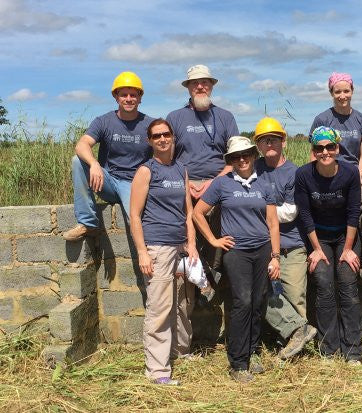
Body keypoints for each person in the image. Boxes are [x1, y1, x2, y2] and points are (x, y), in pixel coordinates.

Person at [193, 136, 280, 383]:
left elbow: (273, 223)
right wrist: (213, 240)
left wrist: (275, 256)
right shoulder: (222, 184)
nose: (241, 160)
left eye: (246, 155)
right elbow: (198, 213)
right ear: (230, 160)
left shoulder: (265, 183)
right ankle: (238, 362)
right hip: (237, 251)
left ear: (253, 155)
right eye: (235, 157)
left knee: (259, 300)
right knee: (242, 301)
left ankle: (252, 351)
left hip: (263, 249)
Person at [129, 118, 198, 385]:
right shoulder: (146, 171)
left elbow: (189, 212)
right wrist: (142, 252)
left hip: (180, 246)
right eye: (156, 136)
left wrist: (191, 244)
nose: (162, 139)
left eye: (166, 134)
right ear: (150, 141)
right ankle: (157, 371)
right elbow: (135, 216)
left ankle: (181, 351)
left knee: (182, 303)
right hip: (157, 247)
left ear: (173, 137)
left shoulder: (181, 169)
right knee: (159, 307)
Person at [294, 126, 362, 365]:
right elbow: (304, 214)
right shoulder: (304, 175)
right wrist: (316, 248)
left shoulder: (350, 173)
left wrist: (348, 249)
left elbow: (354, 212)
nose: (325, 152)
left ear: (337, 148)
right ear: (313, 150)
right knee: (323, 285)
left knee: (347, 283)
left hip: (346, 236)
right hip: (318, 238)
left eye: (330, 147)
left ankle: (353, 350)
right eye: (319, 148)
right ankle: (328, 350)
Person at [166, 64, 239, 285]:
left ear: (211, 86)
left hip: (219, 180)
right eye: (195, 83)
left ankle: (212, 270)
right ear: (188, 87)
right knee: (179, 220)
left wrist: (213, 184)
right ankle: (187, 271)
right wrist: (184, 183)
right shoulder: (175, 117)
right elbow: (167, 158)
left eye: (205, 82)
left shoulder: (225, 117)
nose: (200, 86)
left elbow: (235, 158)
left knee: (225, 216)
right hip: (184, 182)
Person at [253, 117, 317, 360]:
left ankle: (295, 352)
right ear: (257, 145)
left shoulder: (295, 173)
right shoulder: (253, 169)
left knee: (294, 297)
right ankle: (282, 343)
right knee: (263, 295)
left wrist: (255, 213)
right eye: (263, 140)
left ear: (283, 141)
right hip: (262, 247)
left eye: (274, 139)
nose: (269, 143)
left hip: (292, 246)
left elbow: (291, 212)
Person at [63, 71, 153, 241]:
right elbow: (82, 144)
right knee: (78, 161)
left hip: (134, 185)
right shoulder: (104, 121)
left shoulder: (149, 124)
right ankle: (87, 223)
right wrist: (94, 164)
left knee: (134, 222)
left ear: (140, 98)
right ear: (116, 97)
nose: (128, 98)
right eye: (124, 94)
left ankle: (149, 263)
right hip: (108, 181)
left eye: (133, 95)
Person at [310, 72, 362, 278]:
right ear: (331, 93)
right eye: (337, 91)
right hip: (328, 170)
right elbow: (314, 154)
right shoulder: (322, 119)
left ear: (352, 91)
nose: (342, 95)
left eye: (346, 91)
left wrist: (356, 176)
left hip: (355, 171)